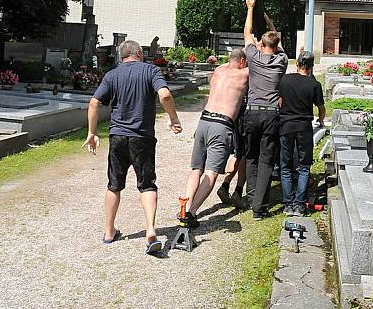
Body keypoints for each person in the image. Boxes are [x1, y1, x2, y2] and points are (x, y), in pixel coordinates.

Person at [84, 39, 182, 255]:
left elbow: (93, 103)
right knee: (147, 184)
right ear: (139, 53)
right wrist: (173, 117)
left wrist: (92, 133)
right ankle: (150, 231)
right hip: (142, 137)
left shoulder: (112, 75)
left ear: (121, 56)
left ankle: (109, 232)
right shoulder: (150, 70)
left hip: (117, 136)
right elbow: (164, 94)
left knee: (114, 185)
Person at [182, 49, 249, 226]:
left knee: (196, 169)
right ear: (242, 61)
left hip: (204, 120)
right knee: (211, 172)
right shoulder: (243, 74)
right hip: (222, 124)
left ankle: (185, 208)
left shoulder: (219, 70)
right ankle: (192, 212)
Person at [243, 0, 288, 220]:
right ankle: (259, 207)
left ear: (261, 45)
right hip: (271, 114)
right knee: (266, 159)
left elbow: (247, 34)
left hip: (251, 112)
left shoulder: (253, 57)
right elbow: (277, 44)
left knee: (251, 156)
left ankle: (252, 197)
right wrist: (271, 24)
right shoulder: (281, 61)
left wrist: (250, 8)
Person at [278, 51, 325, 216]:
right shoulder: (314, 85)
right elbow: (321, 108)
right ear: (311, 67)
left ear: (297, 64)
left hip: (286, 125)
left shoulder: (285, 80)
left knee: (286, 166)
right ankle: (299, 204)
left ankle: (288, 204)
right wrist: (321, 121)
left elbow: (279, 102)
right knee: (304, 167)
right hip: (304, 126)